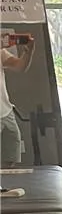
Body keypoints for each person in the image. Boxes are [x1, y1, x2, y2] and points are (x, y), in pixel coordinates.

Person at [1, 30, 36, 167]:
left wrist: (28, 51)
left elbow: (20, 67)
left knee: (11, 156)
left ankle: (5, 181)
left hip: (5, 110)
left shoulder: (1, 52)